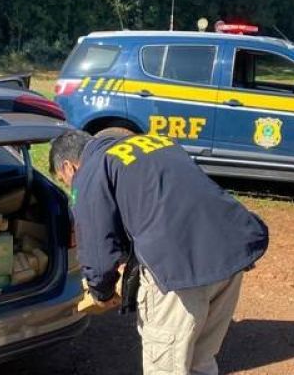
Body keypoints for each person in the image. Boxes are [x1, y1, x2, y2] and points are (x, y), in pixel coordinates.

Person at [49, 130, 269, 375]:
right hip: (229, 251)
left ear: (69, 167)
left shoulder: (91, 170)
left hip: (179, 269)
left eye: (62, 180)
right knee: (200, 359)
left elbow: (97, 247)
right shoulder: (154, 142)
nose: (68, 186)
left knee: (165, 366)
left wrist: (101, 291)